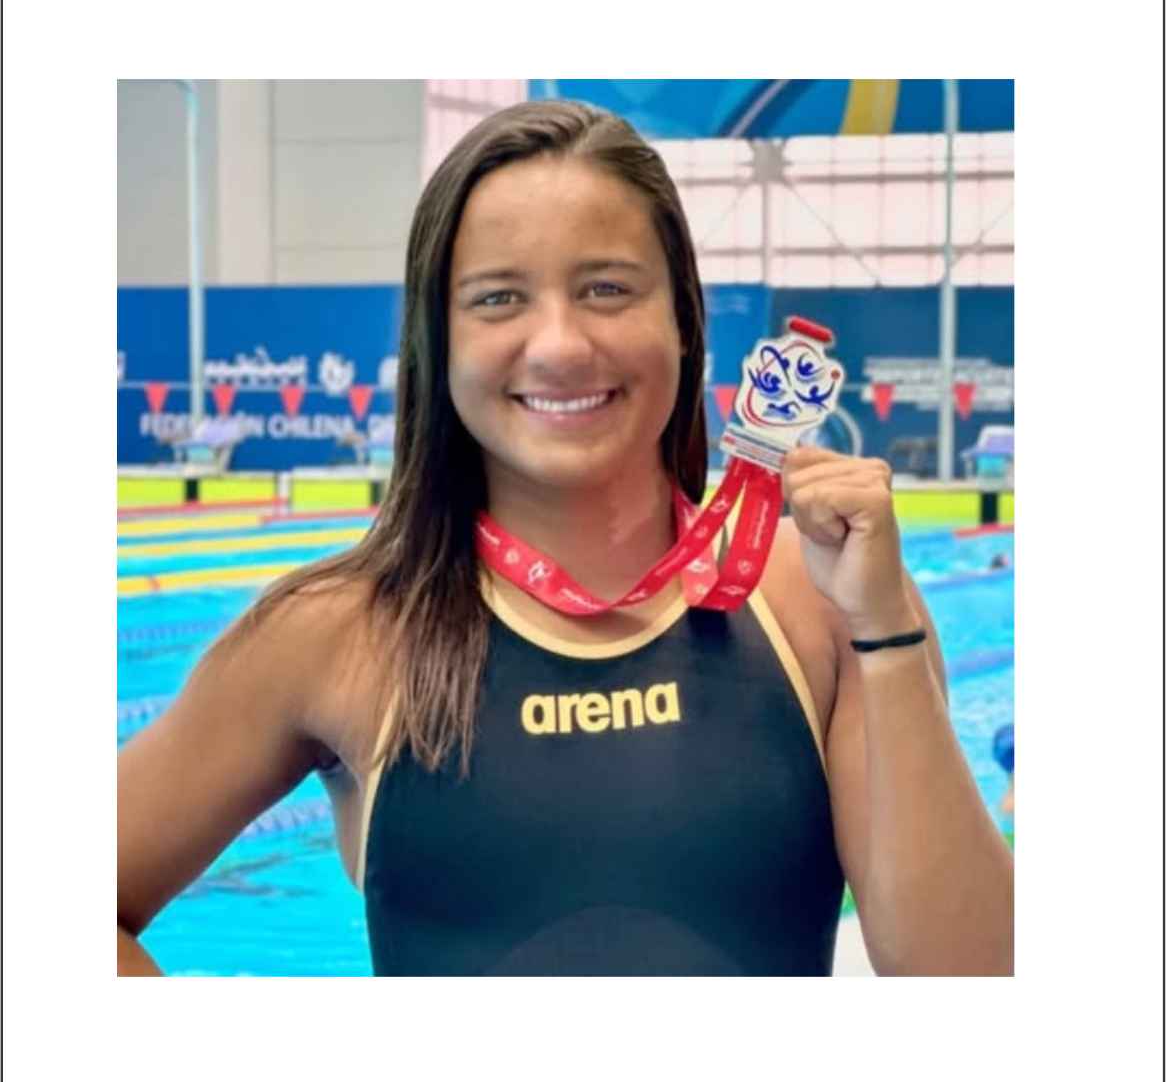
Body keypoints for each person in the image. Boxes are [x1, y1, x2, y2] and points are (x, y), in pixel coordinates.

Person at [118, 100, 1014, 977]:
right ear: (438, 340)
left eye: (607, 289)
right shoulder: (338, 634)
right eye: (498, 298)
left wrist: (886, 630)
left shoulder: (820, 603)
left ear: (684, 321)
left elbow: (970, 976)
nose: (559, 346)